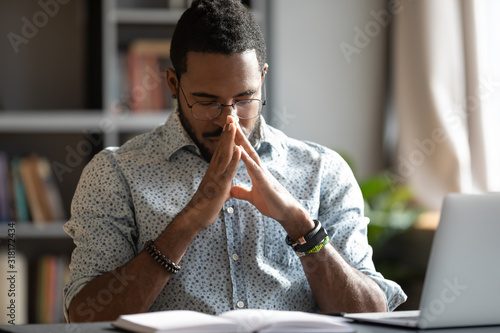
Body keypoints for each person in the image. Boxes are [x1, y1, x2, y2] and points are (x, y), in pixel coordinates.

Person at [63, 0, 407, 322]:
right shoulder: (115, 174)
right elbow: (85, 317)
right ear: (172, 83)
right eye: (206, 101)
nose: (228, 119)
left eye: (244, 99)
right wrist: (188, 222)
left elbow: (370, 314)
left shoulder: (322, 171)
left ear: (262, 79)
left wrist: (299, 225)